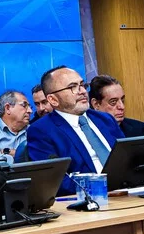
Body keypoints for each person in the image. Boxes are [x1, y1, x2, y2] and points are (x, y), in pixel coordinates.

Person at [27, 66, 126, 195]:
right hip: (91, 198)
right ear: (53, 99)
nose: (83, 91)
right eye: (72, 87)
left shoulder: (105, 119)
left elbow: (127, 158)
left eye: (82, 85)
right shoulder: (41, 131)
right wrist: (99, 187)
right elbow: (54, 181)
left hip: (126, 192)